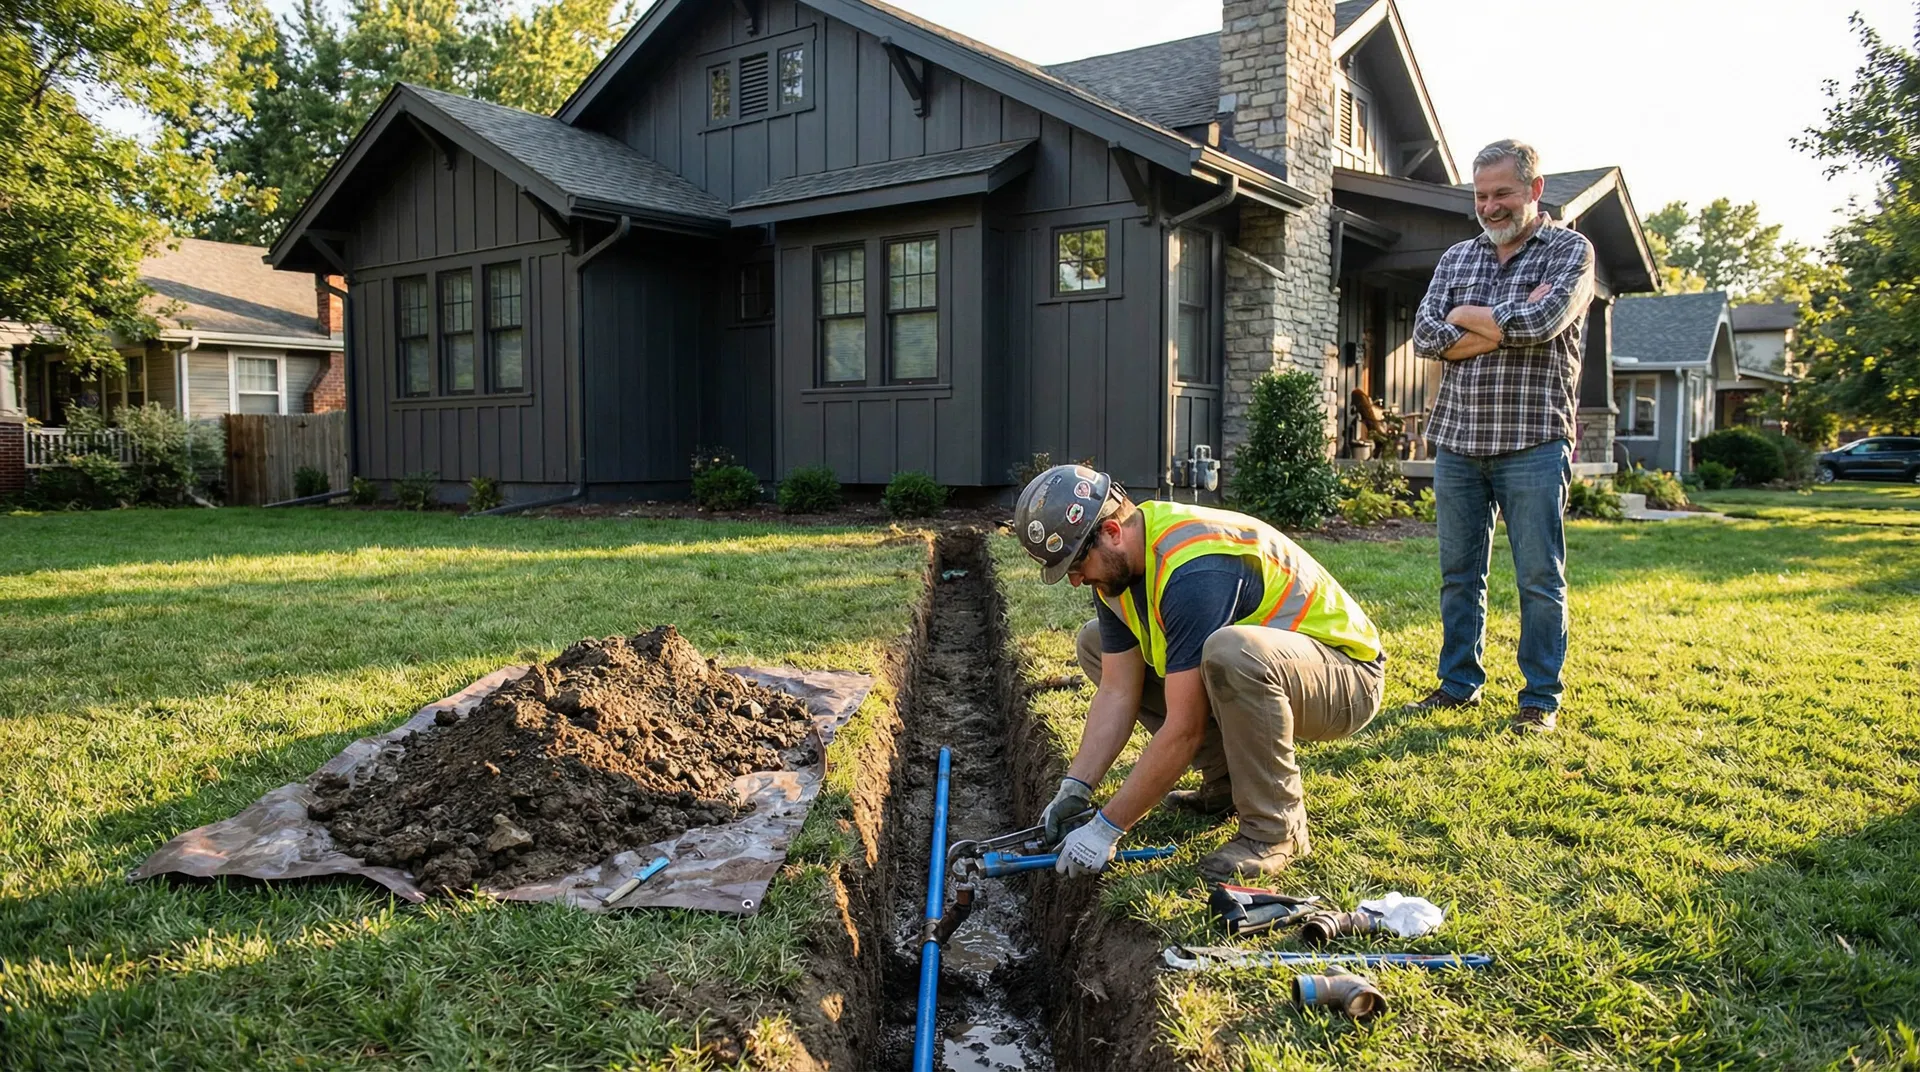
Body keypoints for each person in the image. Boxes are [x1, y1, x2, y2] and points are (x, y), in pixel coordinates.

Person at [1011, 464, 1386, 882]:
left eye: (1077, 564)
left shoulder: (1192, 569)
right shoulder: (1119, 571)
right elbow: (1118, 692)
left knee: (1232, 654)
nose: (1077, 581)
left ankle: (1277, 830)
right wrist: (1076, 787)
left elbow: (1183, 729)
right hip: (1272, 669)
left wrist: (1107, 828)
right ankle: (1226, 784)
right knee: (1096, 644)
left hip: (1345, 677)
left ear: (1112, 532)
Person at [1411, 139, 1596, 734]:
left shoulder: (1571, 252)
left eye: (1502, 194)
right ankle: (1459, 685)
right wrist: (1498, 320)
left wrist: (1466, 316)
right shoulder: (1457, 257)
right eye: (1481, 195)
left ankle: (1539, 698)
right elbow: (1423, 336)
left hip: (1535, 440)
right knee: (1458, 576)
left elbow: (1546, 321)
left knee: (1539, 578)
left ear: (1534, 191)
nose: (1489, 207)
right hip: (1459, 441)